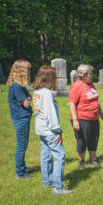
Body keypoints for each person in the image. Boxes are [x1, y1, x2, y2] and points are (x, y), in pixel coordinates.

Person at [33, 66, 72, 195]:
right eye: (54, 76)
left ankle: (47, 181)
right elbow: (50, 115)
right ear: (50, 78)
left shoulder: (37, 92)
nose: (56, 78)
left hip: (41, 129)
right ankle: (58, 187)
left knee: (45, 155)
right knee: (59, 155)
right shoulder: (47, 94)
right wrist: (58, 131)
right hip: (50, 130)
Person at [69, 64, 103, 169]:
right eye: (90, 73)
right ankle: (81, 161)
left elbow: (95, 99)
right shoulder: (76, 86)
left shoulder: (90, 83)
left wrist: (100, 111)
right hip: (82, 118)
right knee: (82, 140)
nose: (92, 75)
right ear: (83, 75)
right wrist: (75, 120)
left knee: (94, 138)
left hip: (94, 117)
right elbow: (72, 104)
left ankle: (93, 159)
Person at [7, 59, 35, 179]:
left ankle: (23, 167)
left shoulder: (20, 86)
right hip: (20, 118)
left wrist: (27, 98)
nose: (29, 72)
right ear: (22, 72)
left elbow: (29, 97)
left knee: (24, 143)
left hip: (23, 117)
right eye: (28, 70)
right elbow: (27, 103)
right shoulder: (17, 86)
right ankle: (19, 172)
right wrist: (27, 99)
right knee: (22, 145)